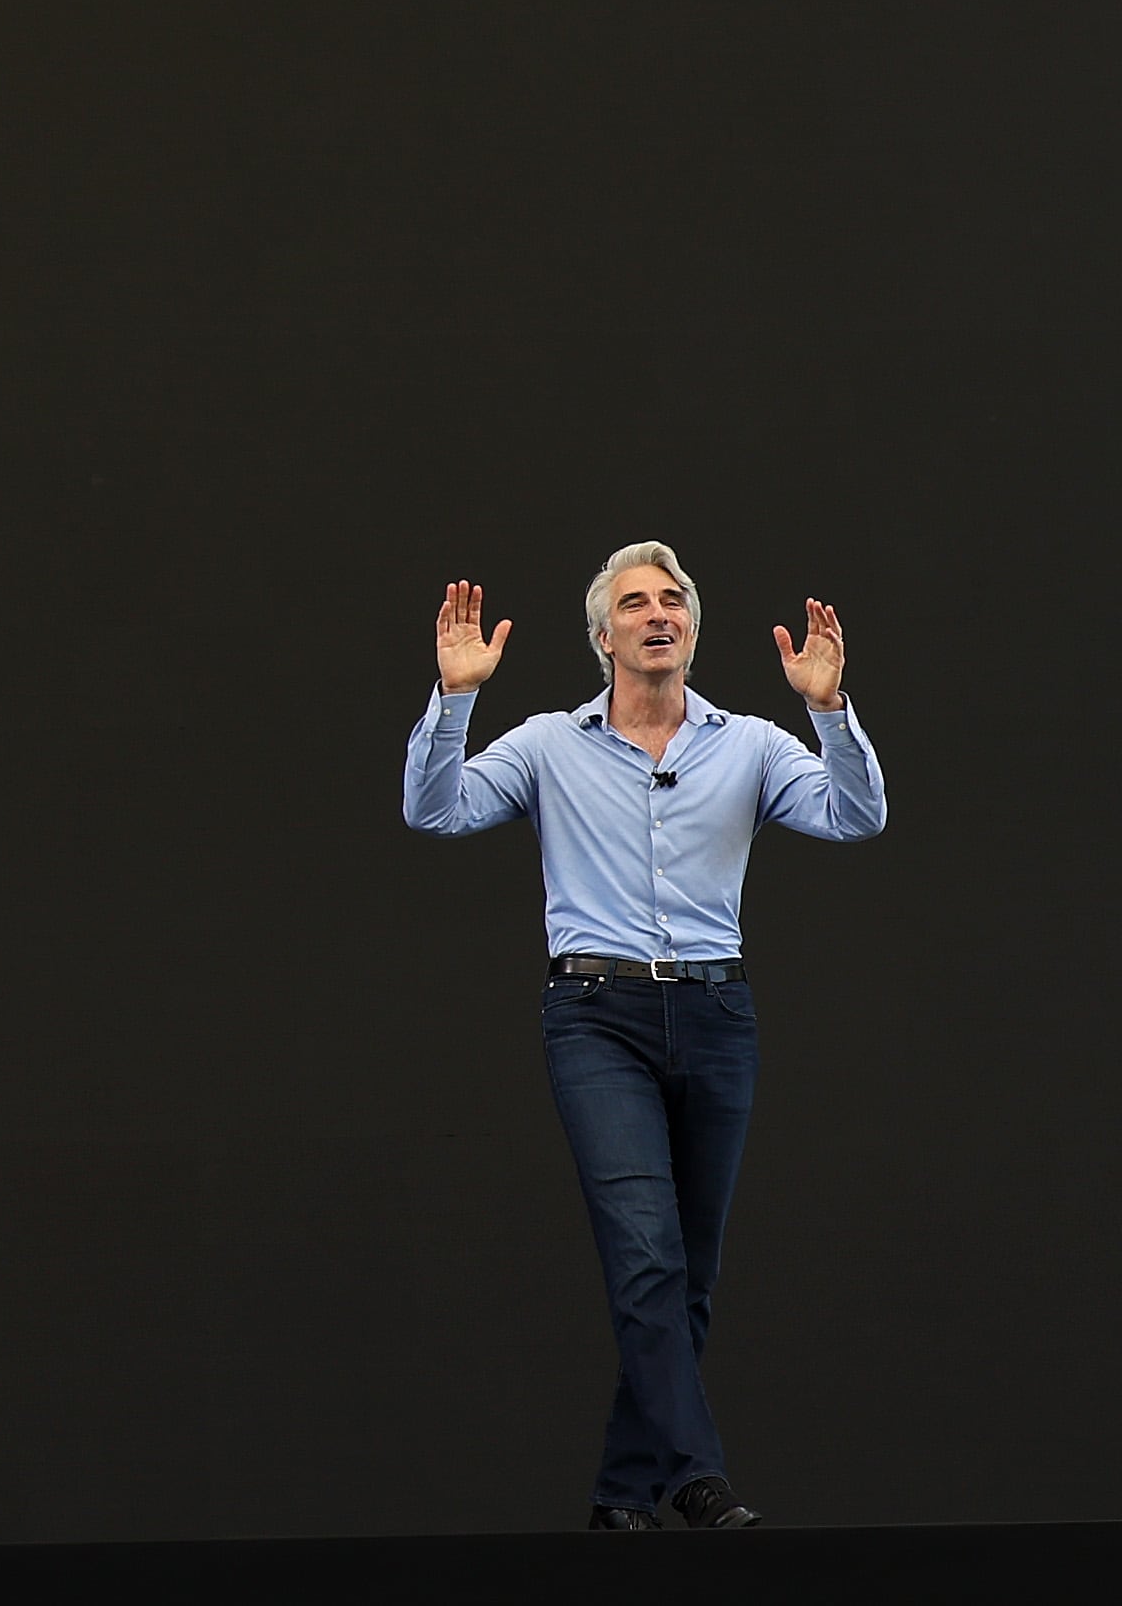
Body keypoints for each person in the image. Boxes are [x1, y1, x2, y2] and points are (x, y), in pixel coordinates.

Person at [402, 541, 885, 1531]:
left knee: (688, 1270)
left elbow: (855, 815)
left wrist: (828, 711)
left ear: (692, 630)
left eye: (672, 601)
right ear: (603, 634)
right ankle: (697, 1479)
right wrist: (453, 698)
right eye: (635, 602)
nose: (657, 613)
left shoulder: (747, 744)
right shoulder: (547, 744)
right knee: (645, 1257)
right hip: (595, 1016)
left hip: (715, 1016)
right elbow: (434, 809)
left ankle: (623, 1491)